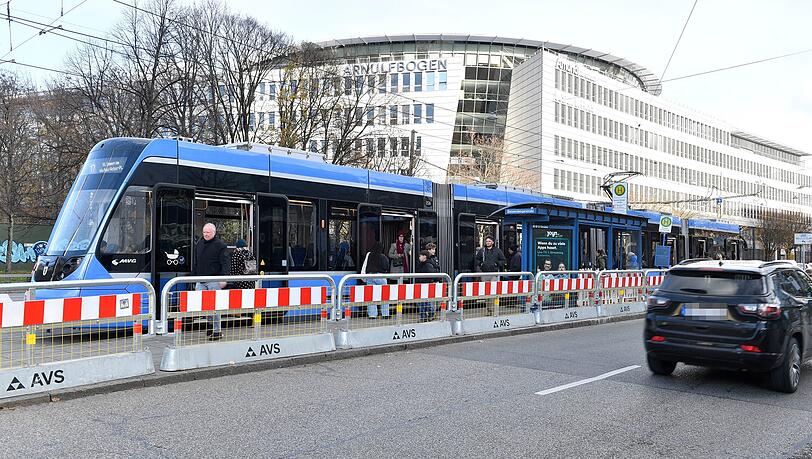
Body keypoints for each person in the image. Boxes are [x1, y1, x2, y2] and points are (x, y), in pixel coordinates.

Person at [192, 223, 229, 341]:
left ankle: (217, 331)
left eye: (208, 232)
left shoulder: (221, 245)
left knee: (215, 306)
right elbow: (196, 261)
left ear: (214, 232)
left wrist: (224, 279)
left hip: (214, 280)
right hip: (200, 280)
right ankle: (210, 324)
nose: (206, 234)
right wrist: (194, 277)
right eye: (204, 232)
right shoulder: (199, 244)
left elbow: (225, 263)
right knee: (203, 305)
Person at [362, 242, 391, 319]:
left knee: (371, 296)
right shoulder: (383, 257)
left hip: (370, 276)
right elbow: (386, 267)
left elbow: (365, 266)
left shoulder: (370, 255)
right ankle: (385, 314)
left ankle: (372, 315)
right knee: (384, 296)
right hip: (380, 277)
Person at [415, 249, 440, 322]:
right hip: (421, 284)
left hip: (425, 285)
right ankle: (427, 315)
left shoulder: (428, 265)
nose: (419, 257)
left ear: (424, 257)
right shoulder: (422, 263)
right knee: (423, 301)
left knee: (423, 301)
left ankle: (427, 315)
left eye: (420, 256)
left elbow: (430, 275)